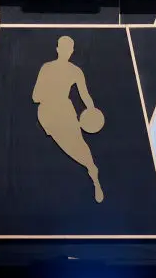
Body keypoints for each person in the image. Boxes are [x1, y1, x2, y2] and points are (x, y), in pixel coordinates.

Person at [32, 35, 104, 203]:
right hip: (50, 113)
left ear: (70, 51)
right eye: (64, 49)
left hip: (63, 110)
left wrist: (91, 111)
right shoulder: (50, 68)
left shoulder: (72, 71)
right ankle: (91, 169)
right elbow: (35, 96)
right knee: (72, 146)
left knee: (79, 145)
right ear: (60, 50)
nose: (66, 52)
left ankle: (93, 174)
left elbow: (85, 96)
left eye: (67, 49)